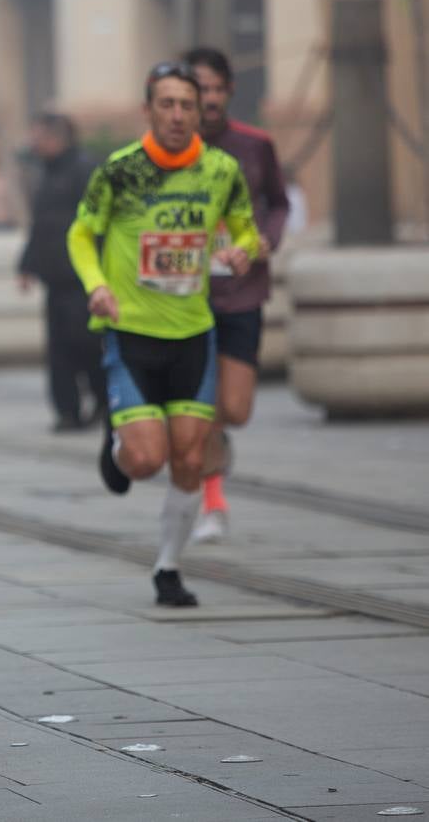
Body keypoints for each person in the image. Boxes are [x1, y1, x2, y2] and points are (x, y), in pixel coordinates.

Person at [66, 62, 261, 607]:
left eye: (187, 106)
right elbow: (82, 234)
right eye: (167, 104)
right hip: (130, 332)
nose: (177, 115)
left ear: (201, 113)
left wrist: (241, 249)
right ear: (148, 110)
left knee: (191, 459)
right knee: (146, 460)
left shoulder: (221, 170)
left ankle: (168, 569)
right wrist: (97, 284)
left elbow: (245, 225)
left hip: (194, 333)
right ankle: (117, 440)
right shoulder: (121, 170)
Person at [183, 47, 288, 543]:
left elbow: (279, 204)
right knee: (202, 406)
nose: (207, 98)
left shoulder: (255, 145)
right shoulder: (165, 151)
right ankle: (212, 500)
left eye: (216, 88)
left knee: (236, 409)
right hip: (184, 296)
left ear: (228, 92)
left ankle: (217, 440)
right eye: (197, 89)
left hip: (242, 292)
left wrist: (265, 240)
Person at [18, 112, 105, 430]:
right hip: (55, 280)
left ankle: (103, 402)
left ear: (56, 137)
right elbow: (40, 224)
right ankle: (67, 411)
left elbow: (99, 224)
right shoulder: (45, 172)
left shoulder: (85, 169)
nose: (35, 143)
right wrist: (26, 264)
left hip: (82, 279)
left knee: (88, 345)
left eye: (39, 136)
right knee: (60, 351)